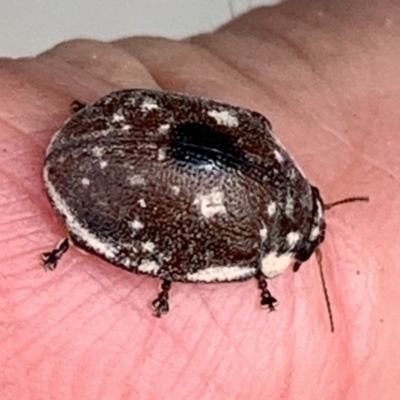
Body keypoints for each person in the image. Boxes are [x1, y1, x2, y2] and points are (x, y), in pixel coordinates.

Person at [1, 0, 398, 398]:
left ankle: (75, 227)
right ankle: (74, 236)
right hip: (97, 167)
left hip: (109, 128)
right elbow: (180, 257)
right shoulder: (248, 241)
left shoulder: (267, 148)